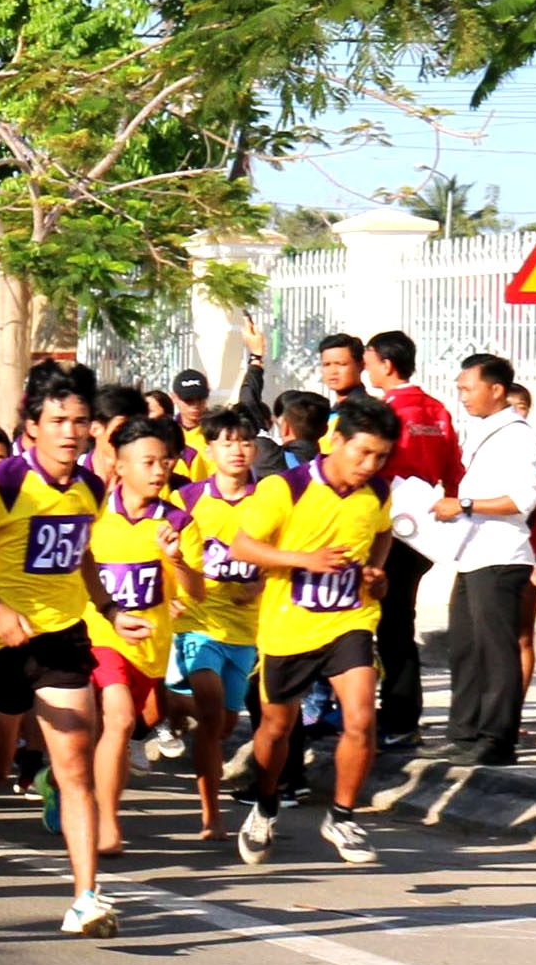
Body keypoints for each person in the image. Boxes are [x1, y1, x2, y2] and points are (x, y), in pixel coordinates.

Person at [0, 368, 120, 936]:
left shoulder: (91, 487)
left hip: (60, 638)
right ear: (32, 427)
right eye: (58, 421)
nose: (70, 432)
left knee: (74, 769)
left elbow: (81, 552)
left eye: (80, 422)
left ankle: (86, 897)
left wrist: (109, 609)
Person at [231, 396, 400, 866]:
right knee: (275, 727)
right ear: (336, 441)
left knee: (362, 717)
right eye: (362, 453)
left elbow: (382, 532)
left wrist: (375, 571)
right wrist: (304, 560)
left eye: (381, 457)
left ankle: (342, 815)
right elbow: (243, 547)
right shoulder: (288, 489)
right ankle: (264, 806)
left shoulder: (378, 494)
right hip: (289, 627)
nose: (369, 465)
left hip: (350, 619)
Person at [80, 418, 192, 870]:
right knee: (121, 718)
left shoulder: (178, 520)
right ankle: (107, 822)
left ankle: (70, 786)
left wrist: (177, 561)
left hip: (151, 646)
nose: (159, 470)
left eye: (164, 461)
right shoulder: (93, 516)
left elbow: (195, 592)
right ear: (119, 466)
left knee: (121, 730)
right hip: (100, 636)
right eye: (147, 462)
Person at [435, 353, 536, 767]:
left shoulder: (517, 436)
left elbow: (521, 501)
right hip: (472, 554)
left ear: (496, 389)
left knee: (496, 650)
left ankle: (498, 738)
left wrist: (463, 504)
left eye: (469, 388)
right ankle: (464, 732)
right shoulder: (484, 431)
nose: (462, 396)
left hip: (501, 555)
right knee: (465, 646)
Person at [172, 408, 271, 840]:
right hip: (197, 620)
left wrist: (261, 583)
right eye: (227, 443)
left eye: (245, 442)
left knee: (225, 725)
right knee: (212, 716)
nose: (237, 450)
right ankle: (211, 816)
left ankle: (167, 710)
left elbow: (287, 551)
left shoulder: (269, 497)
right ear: (208, 450)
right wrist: (168, 596)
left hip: (244, 630)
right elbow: (160, 551)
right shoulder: (188, 499)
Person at [359, 332, 459, 749]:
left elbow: (373, 471)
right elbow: (455, 468)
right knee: (401, 621)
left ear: (386, 363)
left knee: (383, 625)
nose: (365, 369)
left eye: (367, 361)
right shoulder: (436, 410)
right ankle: (401, 716)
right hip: (426, 531)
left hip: (388, 529)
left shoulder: (385, 414)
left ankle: (395, 717)